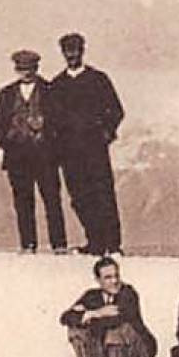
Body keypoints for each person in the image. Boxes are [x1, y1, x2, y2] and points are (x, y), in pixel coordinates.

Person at [49, 32, 124, 255]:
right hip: (69, 153)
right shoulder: (57, 85)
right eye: (67, 51)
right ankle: (94, 242)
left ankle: (113, 245)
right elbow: (52, 119)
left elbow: (116, 111)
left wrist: (105, 133)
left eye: (75, 50)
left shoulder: (99, 80)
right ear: (63, 54)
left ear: (82, 51)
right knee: (80, 197)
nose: (72, 55)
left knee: (103, 195)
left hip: (94, 150)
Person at [0, 49, 67, 254]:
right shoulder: (6, 93)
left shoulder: (50, 90)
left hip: (46, 156)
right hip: (18, 157)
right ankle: (28, 244)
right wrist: (9, 144)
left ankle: (59, 244)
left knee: (52, 200)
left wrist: (47, 130)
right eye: (21, 69)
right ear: (16, 69)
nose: (25, 72)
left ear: (36, 68)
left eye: (29, 68)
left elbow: (61, 122)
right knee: (23, 202)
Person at [56, 256, 156, 357]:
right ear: (98, 280)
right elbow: (65, 318)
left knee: (117, 329)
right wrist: (96, 313)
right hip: (105, 354)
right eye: (108, 277)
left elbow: (117, 320)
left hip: (135, 353)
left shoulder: (128, 293)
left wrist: (89, 317)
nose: (114, 281)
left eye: (116, 276)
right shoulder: (91, 296)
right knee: (76, 329)